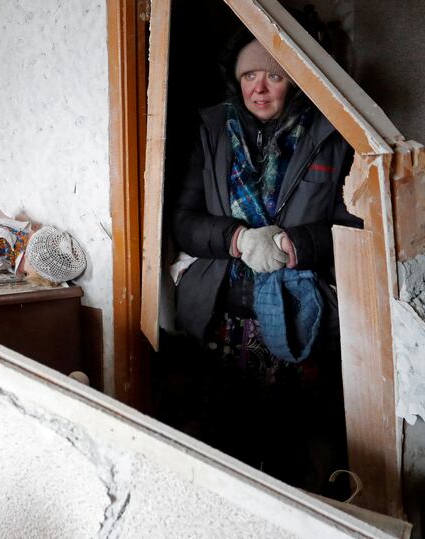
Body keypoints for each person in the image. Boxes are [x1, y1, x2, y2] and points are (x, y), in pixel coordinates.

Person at [171, 27, 361, 492]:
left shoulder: (331, 134)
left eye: (273, 76)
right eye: (249, 75)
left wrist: (298, 243)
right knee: (225, 449)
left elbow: (356, 227)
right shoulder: (213, 131)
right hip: (224, 316)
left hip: (300, 319)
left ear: (295, 80)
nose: (258, 87)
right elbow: (183, 222)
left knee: (290, 455)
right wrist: (237, 239)